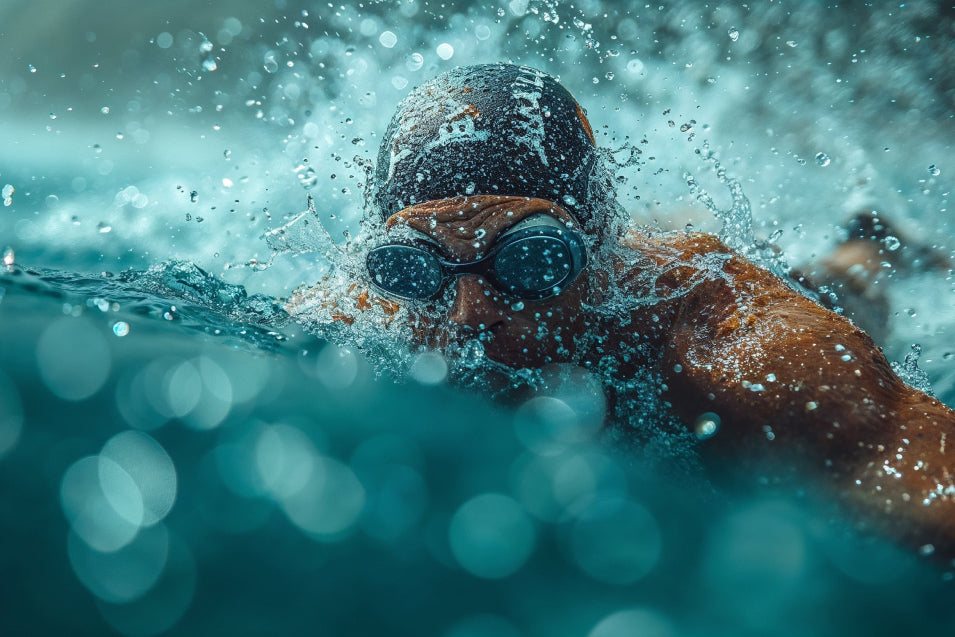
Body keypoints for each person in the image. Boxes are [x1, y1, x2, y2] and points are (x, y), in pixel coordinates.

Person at [288, 63, 955, 564]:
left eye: (531, 260)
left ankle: (864, 240)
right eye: (417, 267)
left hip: (709, 280)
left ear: (596, 249)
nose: (469, 311)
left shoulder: (743, 348)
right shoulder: (371, 310)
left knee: (841, 291)